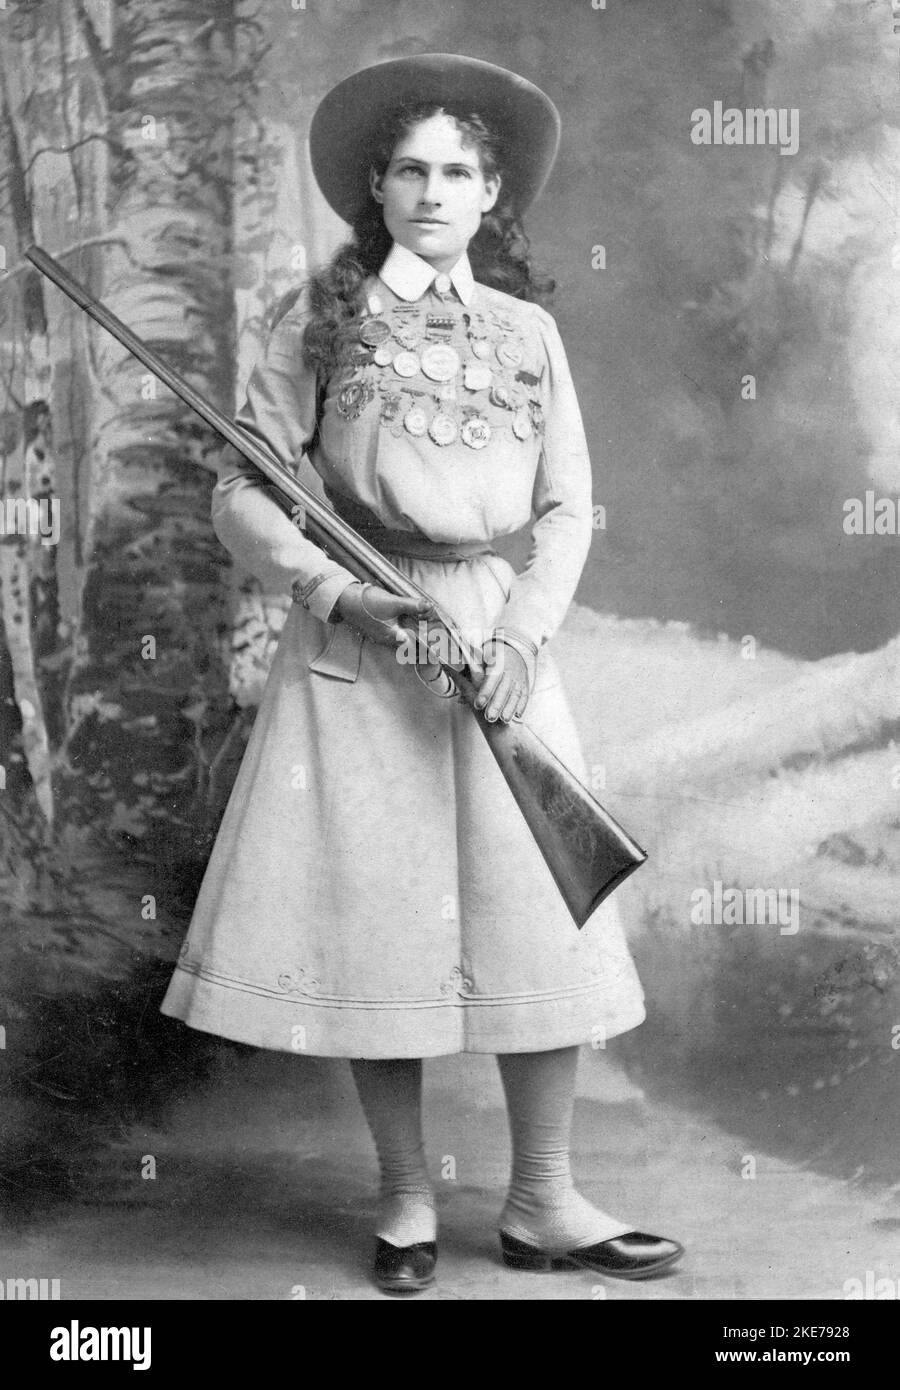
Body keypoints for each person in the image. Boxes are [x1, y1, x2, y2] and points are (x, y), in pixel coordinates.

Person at [161, 53, 683, 1295]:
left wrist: (518, 641)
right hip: (359, 639)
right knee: (376, 922)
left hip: (496, 641)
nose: (434, 191)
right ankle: (404, 1201)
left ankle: (544, 1202)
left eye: (459, 171)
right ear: (377, 190)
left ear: (491, 191)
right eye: (411, 169)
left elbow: (568, 509)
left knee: (535, 912)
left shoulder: (529, 332)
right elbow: (241, 491)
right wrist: (343, 592)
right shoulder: (316, 321)